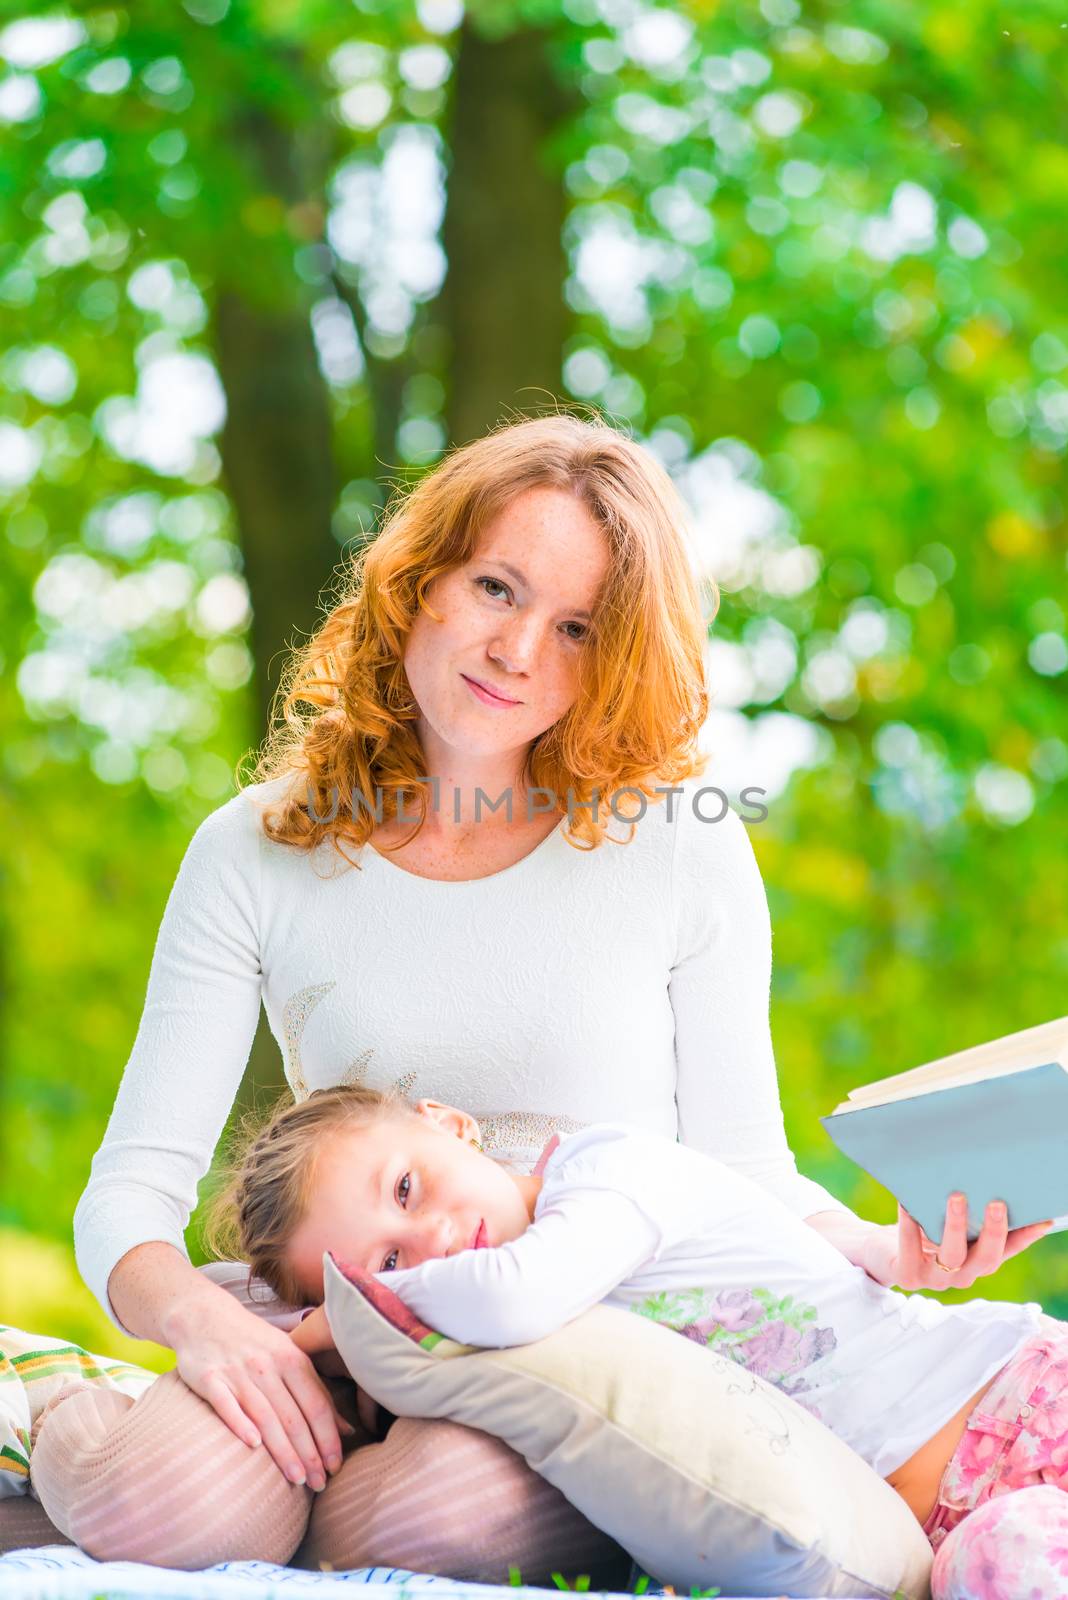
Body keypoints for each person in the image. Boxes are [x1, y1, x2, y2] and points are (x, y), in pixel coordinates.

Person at [40, 413, 1049, 1575]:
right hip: (346, 1303)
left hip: (572, 1348)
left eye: (576, 627)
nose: (518, 649)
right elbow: (131, 1191)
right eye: (495, 586)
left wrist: (889, 1251)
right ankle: (52, 1410)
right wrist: (205, 1326)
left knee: (441, 1518)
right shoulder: (254, 851)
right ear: (421, 578)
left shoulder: (682, 845)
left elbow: (742, 1172)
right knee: (165, 1514)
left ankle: (310, 1499)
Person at [210, 1082, 1068, 1593]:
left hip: (1018, 1402)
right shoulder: (540, 1346)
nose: (432, 1239)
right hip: (953, 1533)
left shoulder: (609, 1175)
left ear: (449, 1124)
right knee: (1001, 1561)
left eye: (407, 1185)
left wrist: (350, 1312)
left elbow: (514, 1298)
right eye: (389, 1260)